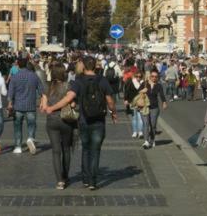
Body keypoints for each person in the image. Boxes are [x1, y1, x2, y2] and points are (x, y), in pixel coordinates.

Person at [45, 56, 117, 190]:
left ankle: (85, 179)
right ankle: (93, 181)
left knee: (86, 149)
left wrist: (52, 108)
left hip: (83, 120)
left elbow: (69, 98)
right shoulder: (103, 80)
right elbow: (110, 100)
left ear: (84, 66)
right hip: (99, 121)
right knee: (95, 151)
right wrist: (113, 112)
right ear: (95, 66)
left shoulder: (79, 81)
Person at [41, 62, 75, 189]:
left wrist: (50, 106)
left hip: (51, 122)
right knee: (66, 149)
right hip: (66, 121)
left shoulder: (47, 87)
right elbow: (72, 104)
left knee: (56, 151)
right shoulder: (68, 86)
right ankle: (65, 175)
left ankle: (59, 181)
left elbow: (44, 107)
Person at [8, 58, 45, 154]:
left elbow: (10, 93)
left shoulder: (14, 77)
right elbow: (42, 91)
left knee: (17, 127)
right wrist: (42, 102)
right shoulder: (34, 76)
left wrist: (9, 104)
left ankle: (18, 146)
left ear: (18, 65)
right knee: (31, 125)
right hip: (31, 106)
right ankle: (30, 138)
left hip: (18, 106)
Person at [141, 69, 167, 149]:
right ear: (150, 76)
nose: (154, 78)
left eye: (156, 77)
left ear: (158, 78)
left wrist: (164, 102)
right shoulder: (144, 84)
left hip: (154, 108)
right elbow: (137, 92)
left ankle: (152, 140)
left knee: (153, 125)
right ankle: (146, 141)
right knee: (146, 124)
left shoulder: (158, 85)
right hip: (144, 107)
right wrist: (142, 91)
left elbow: (162, 95)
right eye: (152, 76)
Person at [124, 70, 145, 138]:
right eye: (137, 76)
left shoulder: (143, 83)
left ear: (142, 77)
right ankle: (135, 131)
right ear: (134, 76)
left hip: (140, 102)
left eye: (140, 76)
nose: (138, 78)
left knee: (140, 117)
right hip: (132, 101)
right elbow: (126, 91)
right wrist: (126, 99)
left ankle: (140, 132)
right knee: (134, 117)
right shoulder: (131, 82)